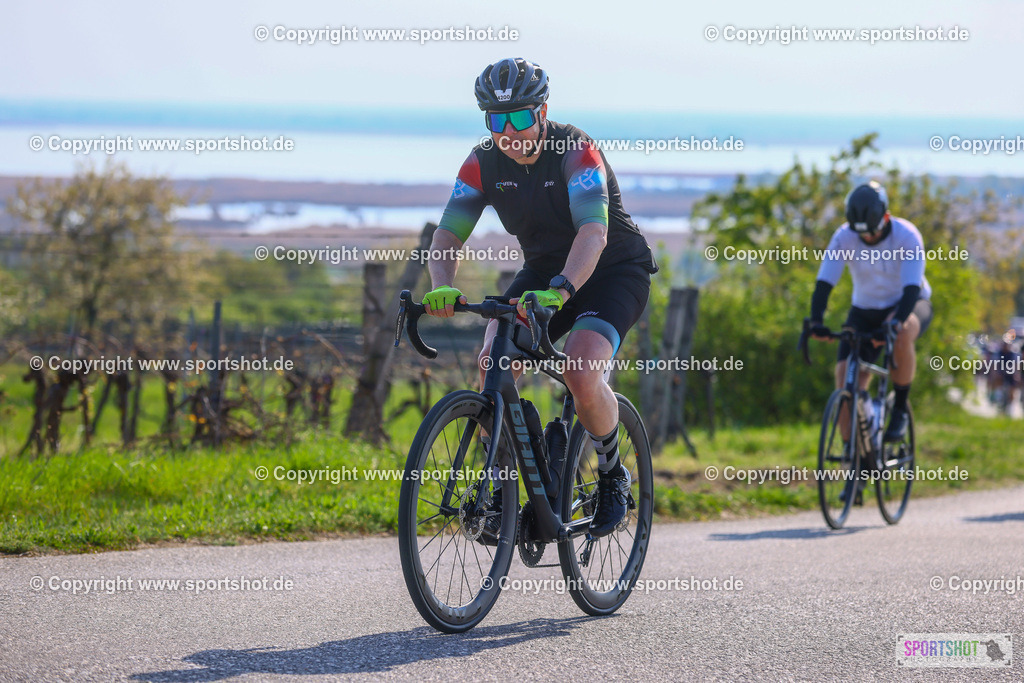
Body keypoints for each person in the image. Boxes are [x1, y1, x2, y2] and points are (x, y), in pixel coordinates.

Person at [421, 57, 658, 540]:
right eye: (497, 120)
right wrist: (440, 286)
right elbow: (447, 235)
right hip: (543, 273)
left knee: (581, 367)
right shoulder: (482, 161)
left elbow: (593, 231)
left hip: (612, 271)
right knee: (494, 360)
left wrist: (564, 290)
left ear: (543, 111)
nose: (510, 131)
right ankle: (505, 483)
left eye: (521, 117)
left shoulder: (576, 151)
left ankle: (613, 473)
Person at [807, 181, 934, 452]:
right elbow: (824, 283)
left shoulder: (907, 235)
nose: (867, 239)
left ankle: (899, 407)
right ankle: (854, 453)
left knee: (899, 332)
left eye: (873, 233)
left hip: (908, 303)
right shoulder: (844, 236)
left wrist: (894, 321)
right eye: (861, 234)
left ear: (885, 218)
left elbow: (912, 289)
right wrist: (816, 321)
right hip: (864, 310)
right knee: (844, 380)